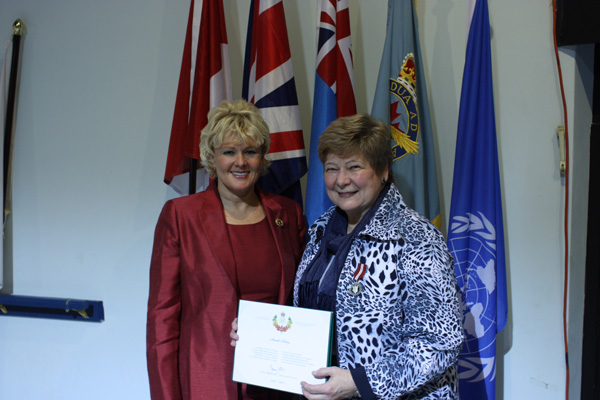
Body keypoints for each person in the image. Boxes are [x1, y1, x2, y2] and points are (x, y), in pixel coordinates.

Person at [232, 113, 463, 400]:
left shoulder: (415, 237)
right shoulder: (320, 229)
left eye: (354, 167)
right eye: (332, 169)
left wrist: (360, 382)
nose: (341, 180)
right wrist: (259, 332)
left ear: (383, 171)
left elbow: (441, 341)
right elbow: (308, 315)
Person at [147, 99, 306, 400]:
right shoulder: (181, 216)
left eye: (250, 152)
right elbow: (162, 319)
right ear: (211, 157)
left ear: (263, 157)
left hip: (277, 382)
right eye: (229, 152)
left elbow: (302, 301)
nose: (241, 162)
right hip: (206, 380)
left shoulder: (288, 214)